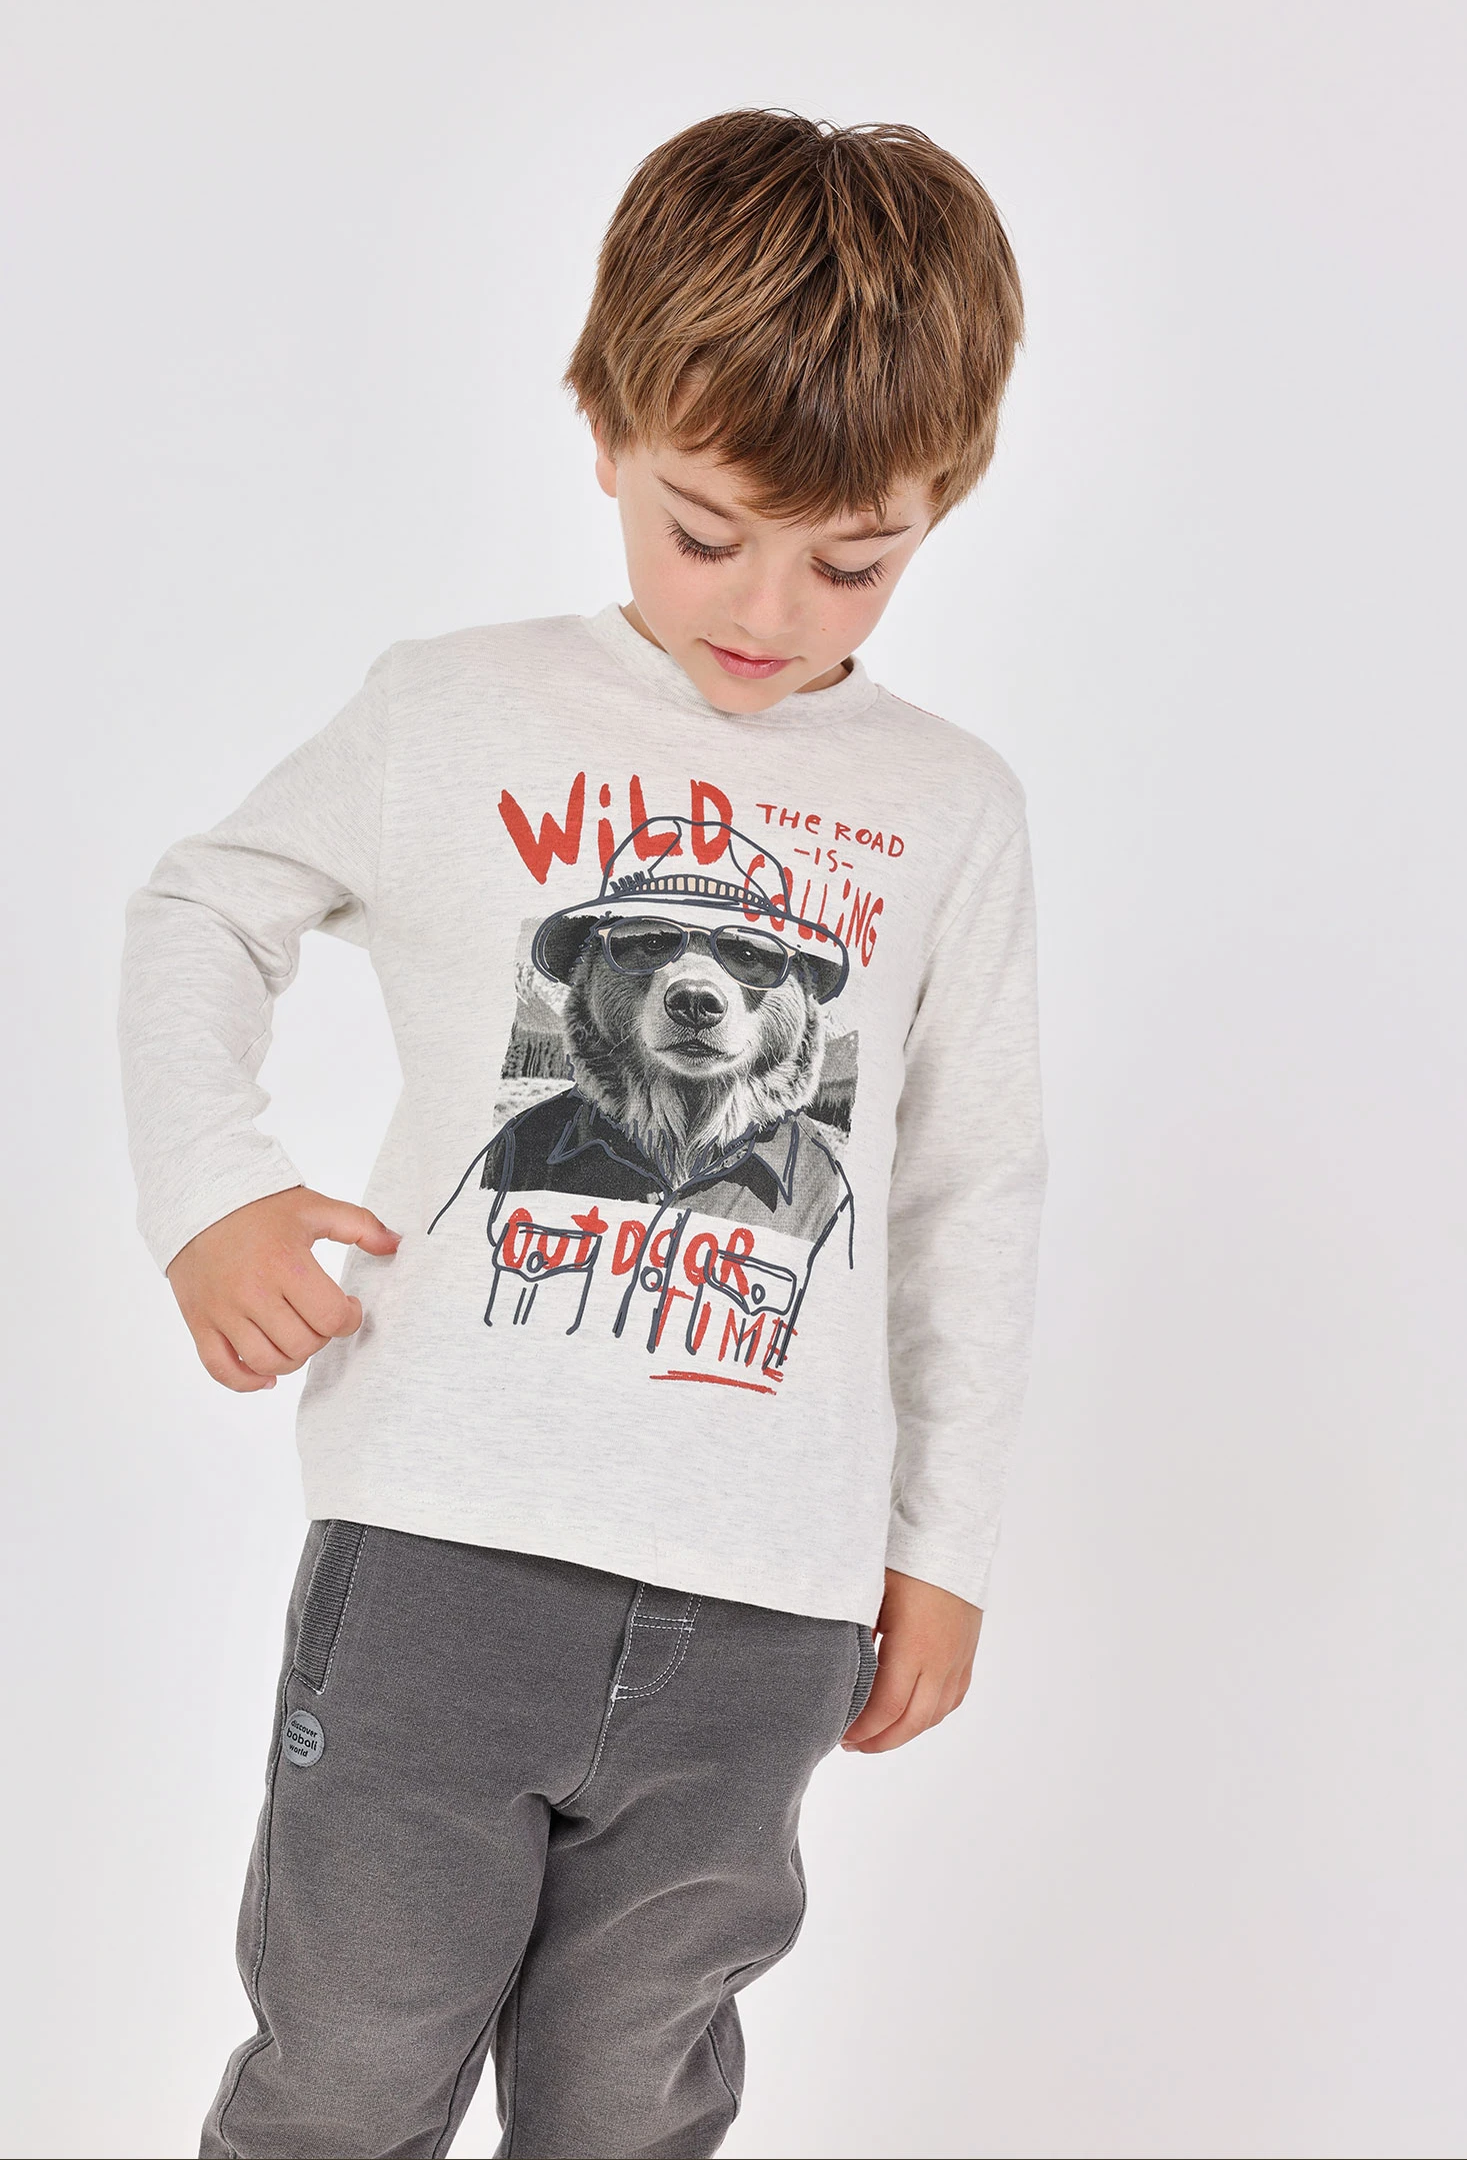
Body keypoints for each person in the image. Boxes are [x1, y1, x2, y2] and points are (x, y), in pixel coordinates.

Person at [118, 108, 1047, 2160]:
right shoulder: (451, 709)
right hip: (442, 1551)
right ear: (605, 426)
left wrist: (940, 1546)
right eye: (704, 530)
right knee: (346, 2074)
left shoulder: (950, 805)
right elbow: (203, 907)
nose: (771, 608)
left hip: (768, 1603)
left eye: (854, 558)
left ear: (943, 500)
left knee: (633, 2105)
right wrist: (212, 1192)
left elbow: (968, 1186)